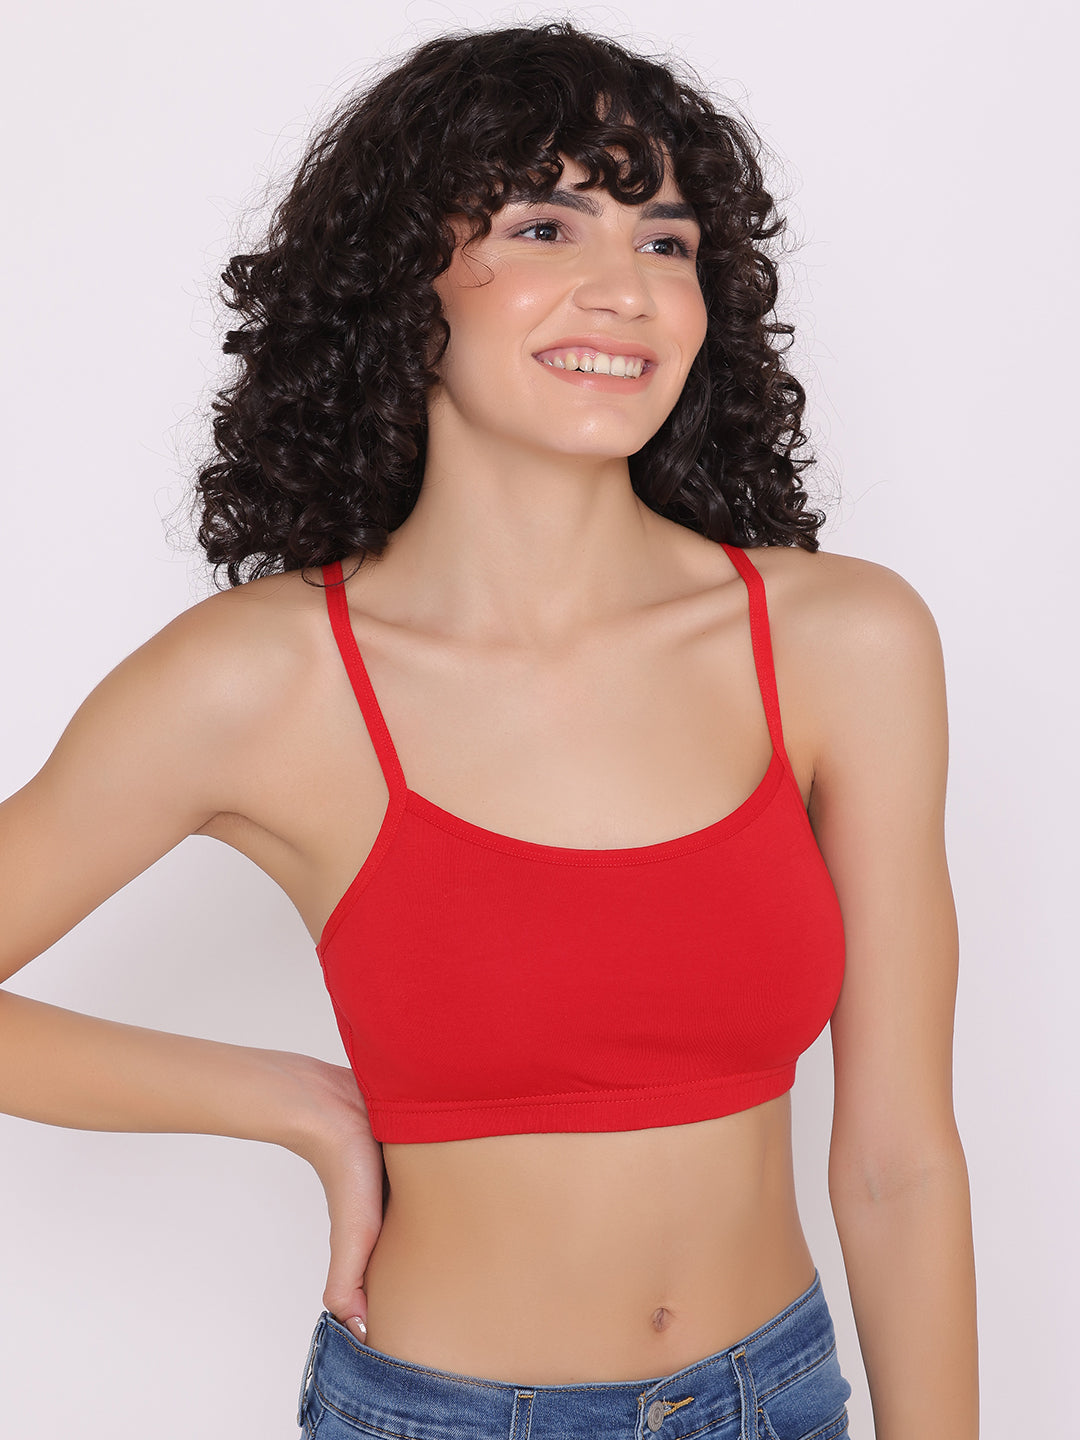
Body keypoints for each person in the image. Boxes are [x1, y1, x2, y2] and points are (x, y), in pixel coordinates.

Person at [0, 21, 978, 1439]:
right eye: (544, 226)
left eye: (665, 242)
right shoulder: (264, 681)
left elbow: (899, 1161)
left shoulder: (844, 642)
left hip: (776, 1399)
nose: (626, 289)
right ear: (406, 282)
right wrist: (296, 1102)